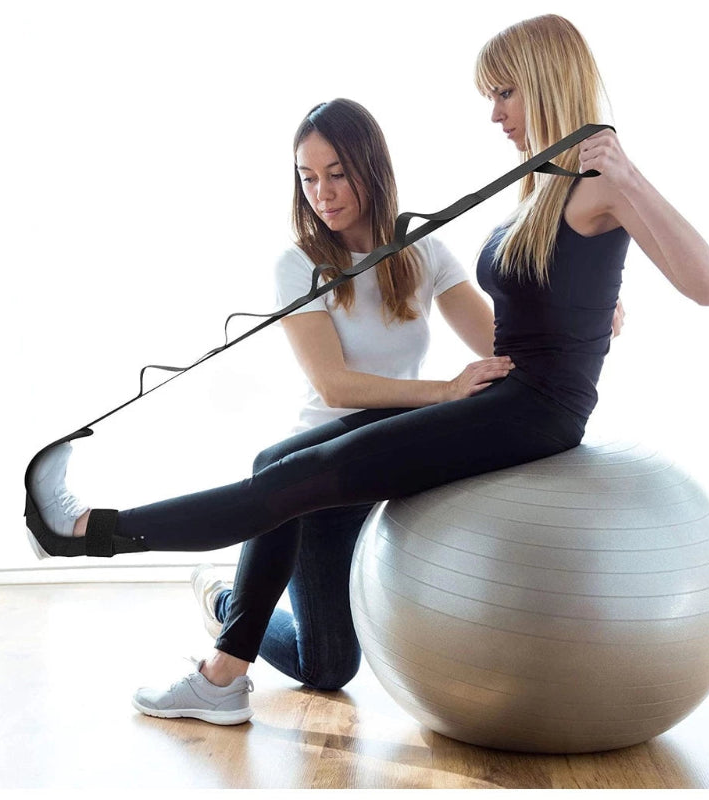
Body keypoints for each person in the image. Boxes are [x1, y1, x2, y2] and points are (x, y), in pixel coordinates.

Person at [26, 14, 709, 726]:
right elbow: (533, 311)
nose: (495, 113)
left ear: (546, 82)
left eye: (505, 93)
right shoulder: (543, 187)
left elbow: (704, 282)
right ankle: (211, 651)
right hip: (513, 396)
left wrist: (630, 180)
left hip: (535, 409)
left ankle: (82, 531)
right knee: (282, 471)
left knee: (289, 485)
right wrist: (589, 309)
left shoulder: (601, 179)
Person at [190, 96, 504, 702]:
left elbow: (499, 342)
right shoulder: (298, 265)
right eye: (308, 178)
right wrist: (444, 391)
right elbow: (336, 386)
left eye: (337, 174)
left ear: (371, 168)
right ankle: (224, 601)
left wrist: (585, 313)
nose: (322, 194)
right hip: (320, 478)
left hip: (391, 463)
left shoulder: (423, 250)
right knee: (328, 669)